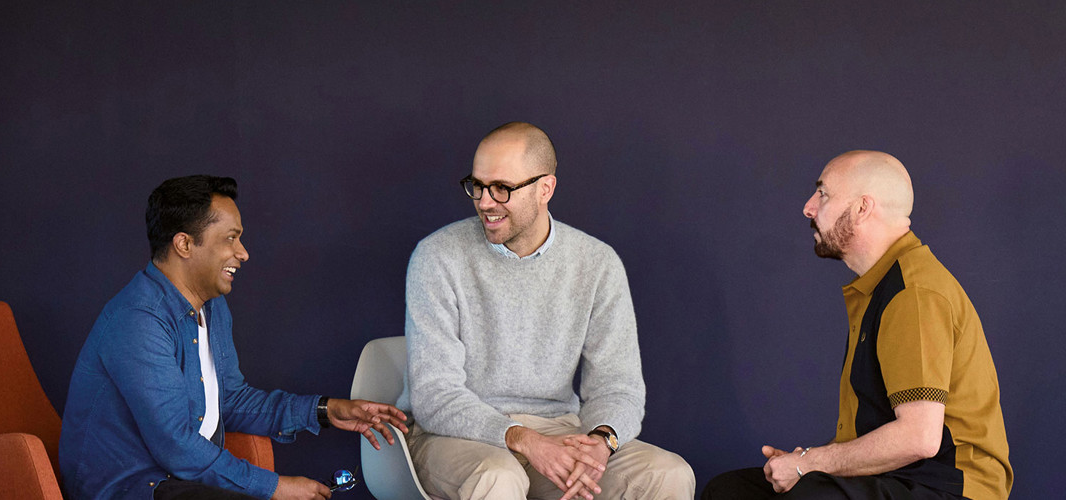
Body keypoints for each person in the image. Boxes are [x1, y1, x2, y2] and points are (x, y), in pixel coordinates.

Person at [60, 175, 408, 500]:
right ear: (184, 244)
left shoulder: (212, 307)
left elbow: (232, 401)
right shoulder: (139, 320)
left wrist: (325, 410)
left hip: (184, 480)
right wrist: (274, 487)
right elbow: (176, 446)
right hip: (134, 487)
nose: (243, 253)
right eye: (230, 238)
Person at [403, 122, 695, 500]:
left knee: (668, 474)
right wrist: (522, 439)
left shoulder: (597, 263)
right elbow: (434, 395)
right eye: (477, 185)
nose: (484, 202)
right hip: (454, 437)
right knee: (499, 477)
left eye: (502, 188)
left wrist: (601, 441)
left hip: (558, 432)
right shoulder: (437, 256)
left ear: (545, 189)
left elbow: (617, 385)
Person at [703, 151, 1013, 500]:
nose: (808, 207)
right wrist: (802, 464)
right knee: (731, 491)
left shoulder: (913, 293)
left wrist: (808, 463)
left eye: (823, 194)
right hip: (898, 477)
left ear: (863, 208)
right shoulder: (880, 285)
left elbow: (919, 438)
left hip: (948, 487)